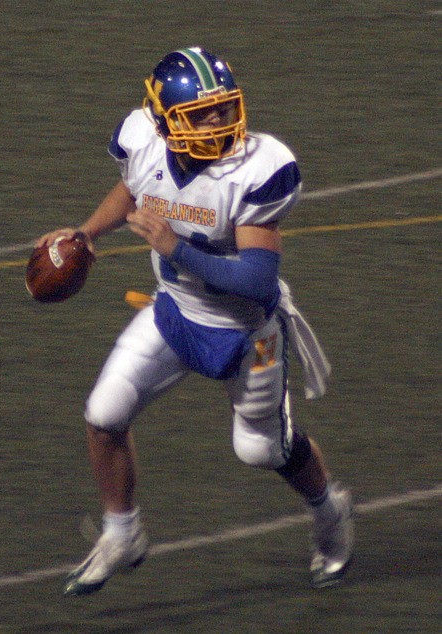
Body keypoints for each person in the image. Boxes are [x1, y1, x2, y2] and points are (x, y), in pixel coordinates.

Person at [37, 47, 353, 596]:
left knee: (262, 450)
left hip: (247, 333)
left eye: (224, 108)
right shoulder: (141, 140)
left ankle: (330, 512)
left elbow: (256, 280)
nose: (220, 121)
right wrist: (88, 231)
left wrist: (176, 249)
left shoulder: (256, 169)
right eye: (203, 113)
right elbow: (138, 185)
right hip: (176, 314)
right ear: (163, 119)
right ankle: (122, 534)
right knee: (103, 412)